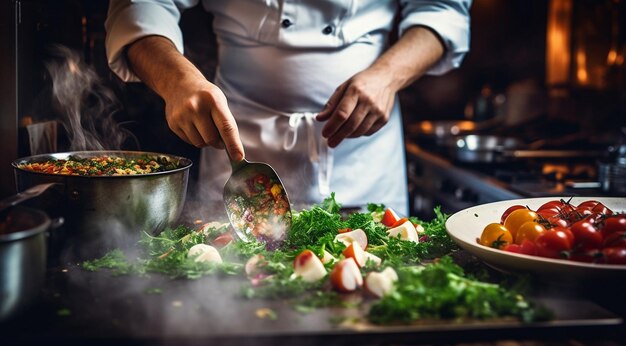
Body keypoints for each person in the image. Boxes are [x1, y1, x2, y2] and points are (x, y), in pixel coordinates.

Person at [105, 0, 471, 215]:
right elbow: (140, 5)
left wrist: (388, 76)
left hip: (361, 159)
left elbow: (442, 8)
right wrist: (175, 82)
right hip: (238, 144)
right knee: (230, 304)